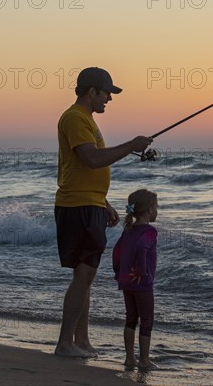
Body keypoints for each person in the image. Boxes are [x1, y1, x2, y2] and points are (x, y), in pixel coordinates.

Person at [54, 67, 153, 358]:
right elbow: (92, 158)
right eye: (107, 93)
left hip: (89, 204)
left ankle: (80, 341)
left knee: (85, 277)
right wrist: (131, 146)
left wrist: (104, 202)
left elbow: (82, 169)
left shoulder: (85, 120)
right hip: (78, 207)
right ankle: (64, 343)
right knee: (83, 277)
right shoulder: (75, 118)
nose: (109, 98)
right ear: (91, 92)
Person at [112, 189, 159, 370]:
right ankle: (144, 360)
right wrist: (141, 270)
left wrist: (118, 272)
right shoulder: (149, 231)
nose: (157, 211)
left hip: (126, 282)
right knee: (146, 320)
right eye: (156, 207)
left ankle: (130, 358)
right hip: (142, 283)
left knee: (131, 318)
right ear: (148, 210)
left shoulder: (128, 230)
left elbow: (117, 251)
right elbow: (141, 248)